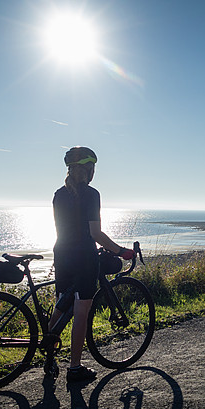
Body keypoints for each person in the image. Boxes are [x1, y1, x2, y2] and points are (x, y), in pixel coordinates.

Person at [49, 146, 134, 383]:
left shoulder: (59, 193)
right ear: (88, 168)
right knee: (81, 312)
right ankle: (75, 368)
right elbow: (94, 233)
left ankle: (49, 353)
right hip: (84, 258)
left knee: (61, 305)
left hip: (62, 254)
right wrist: (120, 251)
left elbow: (65, 229)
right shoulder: (91, 194)